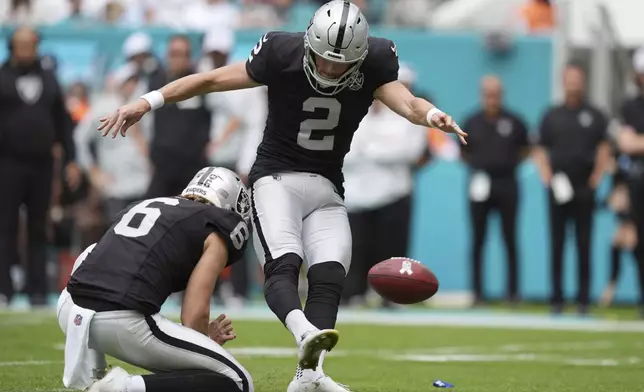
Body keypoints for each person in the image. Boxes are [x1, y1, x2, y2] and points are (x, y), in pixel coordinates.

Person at [98, 1, 467, 390]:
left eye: (340, 64)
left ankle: (309, 375)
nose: (328, 69)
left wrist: (431, 115)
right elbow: (209, 80)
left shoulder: (376, 60)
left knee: (330, 273)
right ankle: (304, 333)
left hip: (327, 185)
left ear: (359, 58)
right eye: (322, 59)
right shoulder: (280, 51)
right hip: (275, 178)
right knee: (284, 264)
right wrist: (147, 101)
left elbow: (408, 103)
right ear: (309, 44)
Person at [56, 166, 253, 392]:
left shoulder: (149, 205)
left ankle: (96, 371)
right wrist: (204, 346)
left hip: (69, 309)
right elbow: (194, 314)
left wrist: (201, 342)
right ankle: (123, 387)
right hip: (119, 317)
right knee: (239, 381)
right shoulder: (215, 227)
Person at [0, 26, 79, 307]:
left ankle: (37, 290)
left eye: (30, 44)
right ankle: (4, 288)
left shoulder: (49, 78)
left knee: (38, 225)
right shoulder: (2, 76)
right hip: (7, 163)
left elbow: (63, 121)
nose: (26, 49)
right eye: (21, 44)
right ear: (12, 46)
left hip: (42, 164)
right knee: (5, 225)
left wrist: (70, 159)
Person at [533, 63, 610, 315]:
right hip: (558, 185)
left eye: (578, 78)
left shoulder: (595, 115)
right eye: (570, 79)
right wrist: (547, 176)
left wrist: (597, 177)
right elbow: (540, 148)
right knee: (557, 243)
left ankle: (583, 300)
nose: (574, 83)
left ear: (583, 81)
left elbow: (604, 147)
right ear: (563, 81)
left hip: (584, 184)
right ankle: (557, 299)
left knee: (584, 243)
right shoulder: (551, 115)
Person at [461, 75, 531, 306]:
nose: (492, 98)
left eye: (496, 94)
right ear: (482, 95)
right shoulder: (471, 122)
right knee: (478, 239)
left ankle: (512, 293)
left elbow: (525, 150)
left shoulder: (515, 121)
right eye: (488, 94)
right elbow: (463, 152)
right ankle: (478, 293)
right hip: (479, 184)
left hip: (507, 184)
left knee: (509, 238)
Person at [616, 46, 644, 316]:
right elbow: (626, 143)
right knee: (640, 240)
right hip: (638, 181)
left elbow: (635, 142)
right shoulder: (630, 106)